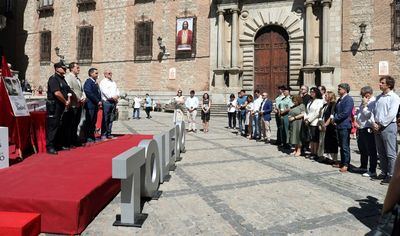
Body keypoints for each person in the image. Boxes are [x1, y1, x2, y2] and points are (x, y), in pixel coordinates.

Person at [372, 76, 400, 184]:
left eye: (382, 83)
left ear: (389, 85)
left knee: (390, 152)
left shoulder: (394, 97)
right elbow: (374, 111)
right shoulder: (379, 97)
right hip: (377, 126)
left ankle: (391, 175)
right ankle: (383, 172)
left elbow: (392, 113)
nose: (380, 84)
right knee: (381, 152)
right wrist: (374, 122)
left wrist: (381, 124)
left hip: (388, 126)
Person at [45, 61, 74, 155]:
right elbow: (56, 93)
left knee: (60, 125)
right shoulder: (53, 79)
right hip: (54, 106)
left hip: (62, 105)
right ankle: (50, 146)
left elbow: (69, 90)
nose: (65, 69)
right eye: (63, 68)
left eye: (65, 68)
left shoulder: (63, 79)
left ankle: (58, 144)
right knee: (53, 126)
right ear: (57, 69)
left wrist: (68, 99)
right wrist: (65, 101)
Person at [355, 86, 377, 177]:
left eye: (362, 95)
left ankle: (372, 170)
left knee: (371, 150)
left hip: (368, 128)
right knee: (362, 148)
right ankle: (363, 166)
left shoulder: (373, 102)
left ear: (367, 94)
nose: (362, 96)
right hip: (361, 127)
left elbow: (369, 115)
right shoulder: (364, 101)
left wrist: (364, 106)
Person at [332, 83, 354, 173]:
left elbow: (346, 113)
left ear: (345, 90)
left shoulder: (348, 99)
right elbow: (336, 110)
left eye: (340, 89)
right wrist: (334, 117)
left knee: (345, 146)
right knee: (341, 145)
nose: (338, 90)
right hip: (339, 125)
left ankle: (346, 164)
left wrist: (335, 118)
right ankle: (342, 161)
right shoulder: (340, 99)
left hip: (344, 125)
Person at [65, 62, 86, 146]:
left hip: (79, 104)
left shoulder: (78, 79)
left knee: (76, 123)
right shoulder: (68, 77)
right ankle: (70, 141)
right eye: (77, 67)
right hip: (73, 104)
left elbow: (80, 90)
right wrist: (76, 98)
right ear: (72, 68)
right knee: (71, 123)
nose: (79, 69)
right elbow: (70, 90)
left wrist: (83, 97)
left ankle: (74, 139)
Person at [304, 87, 324, 159]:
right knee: (311, 138)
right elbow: (306, 111)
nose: (311, 93)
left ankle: (316, 153)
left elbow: (317, 112)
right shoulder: (310, 101)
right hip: (308, 121)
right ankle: (312, 152)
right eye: (311, 91)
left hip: (315, 122)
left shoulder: (320, 101)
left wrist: (309, 120)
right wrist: (306, 118)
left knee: (315, 138)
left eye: (313, 92)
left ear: (316, 93)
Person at [99, 70, 119, 139]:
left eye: (111, 73)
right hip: (107, 102)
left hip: (113, 102)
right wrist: (112, 97)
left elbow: (117, 90)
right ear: (105, 74)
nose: (110, 74)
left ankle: (109, 133)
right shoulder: (103, 82)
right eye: (109, 73)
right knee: (105, 118)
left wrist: (117, 95)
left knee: (111, 119)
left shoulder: (113, 82)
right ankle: (103, 134)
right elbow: (105, 91)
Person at [83, 68, 102, 143]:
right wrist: (97, 101)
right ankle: (88, 137)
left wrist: (99, 101)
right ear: (91, 74)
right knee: (89, 121)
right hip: (90, 105)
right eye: (96, 73)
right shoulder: (88, 82)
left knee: (93, 121)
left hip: (95, 105)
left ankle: (92, 136)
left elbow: (98, 93)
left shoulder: (94, 82)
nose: (97, 75)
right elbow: (89, 92)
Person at [322, 91, 338, 164]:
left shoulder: (333, 104)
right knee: (327, 141)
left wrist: (325, 124)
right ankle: (327, 157)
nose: (325, 97)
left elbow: (331, 115)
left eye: (326, 95)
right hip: (326, 125)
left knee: (332, 142)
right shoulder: (326, 105)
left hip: (331, 125)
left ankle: (333, 158)